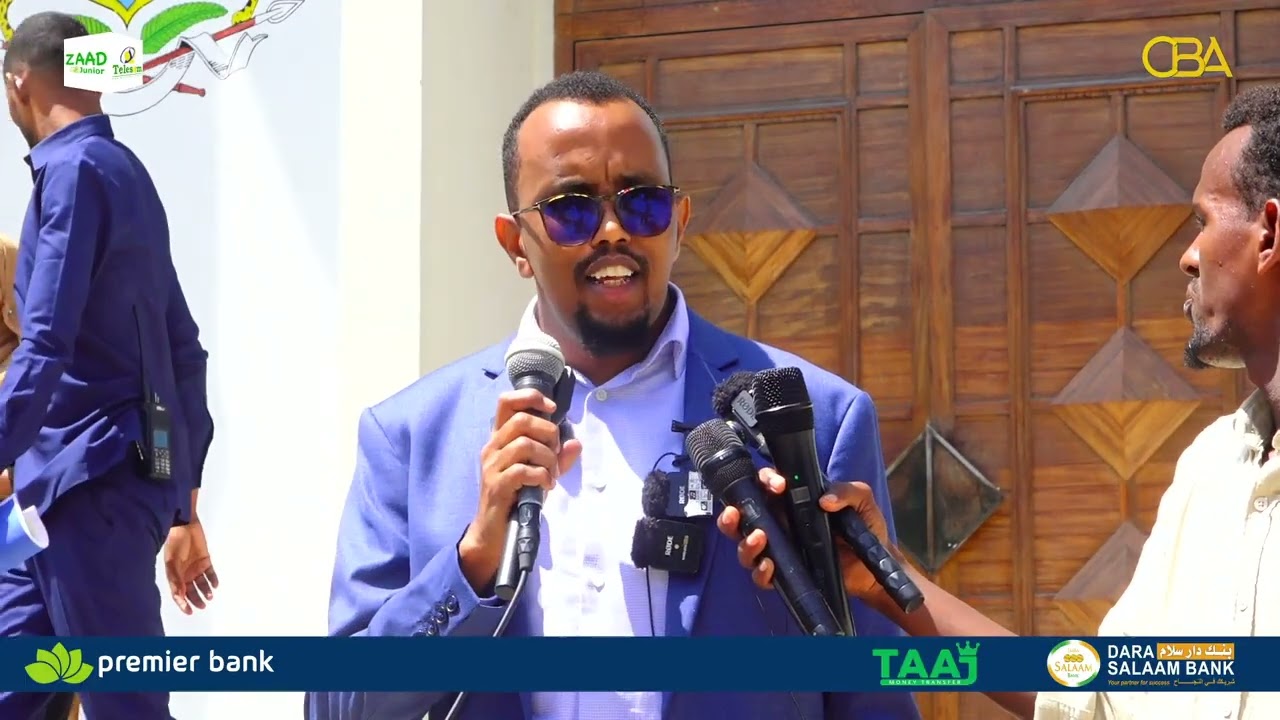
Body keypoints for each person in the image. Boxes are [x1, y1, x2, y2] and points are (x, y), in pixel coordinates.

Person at [306, 70, 921, 720]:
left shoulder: (814, 417)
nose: (611, 230)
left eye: (642, 202)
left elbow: (872, 695)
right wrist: (470, 562)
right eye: (570, 208)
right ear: (516, 244)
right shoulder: (410, 437)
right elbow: (340, 704)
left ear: (678, 223)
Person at [721, 84, 1280, 720]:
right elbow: (1092, 694)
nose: (1188, 257)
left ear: (1268, 232)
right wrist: (884, 579)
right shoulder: (1212, 470)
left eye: (1203, 222)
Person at [2, 12, 218, 719]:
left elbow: (45, 344)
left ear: (19, 82)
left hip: (86, 494)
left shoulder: (72, 172)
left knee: (126, 706)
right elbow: (182, 349)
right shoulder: (123, 174)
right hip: (58, 502)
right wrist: (182, 505)